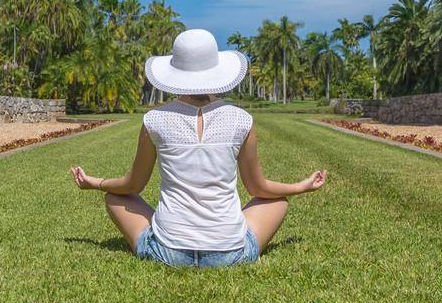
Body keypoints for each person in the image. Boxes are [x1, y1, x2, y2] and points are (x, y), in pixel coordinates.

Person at [69, 28, 327, 267]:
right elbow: (257, 188)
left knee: (114, 197)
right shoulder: (241, 119)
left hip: (167, 251)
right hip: (230, 253)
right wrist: (300, 187)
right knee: (278, 202)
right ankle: (220, 240)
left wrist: (95, 182)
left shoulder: (155, 119)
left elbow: (132, 186)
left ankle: (172, 237)